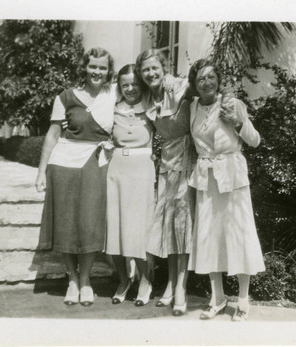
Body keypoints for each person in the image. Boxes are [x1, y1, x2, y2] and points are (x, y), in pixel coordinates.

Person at [35, 47, 117, 307]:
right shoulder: (66, 96)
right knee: (67, 223)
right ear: (84, 67)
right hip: (65, 163)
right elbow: (53, 134)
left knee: (91, 222)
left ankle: (86, 280)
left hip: (98, 161)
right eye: (93, 66)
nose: (97, 71)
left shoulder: (114, 95)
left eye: (102, 67)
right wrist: (40, 171)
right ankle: (72, 281)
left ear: (108, 71)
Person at [186, 59, 265, 321]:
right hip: (206, 178)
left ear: (218, 79)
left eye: (211, 77)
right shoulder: (193, 107)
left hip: (232, 175)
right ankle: (217, 298)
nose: (206, 82)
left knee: (239, 236)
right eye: (200, 79)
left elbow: (255, 141)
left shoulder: (232, 104)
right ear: (194, 85)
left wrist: (238, 122)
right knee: (209, 238)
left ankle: (243, 299)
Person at [136, 49, 196, 316]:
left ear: (164, 67)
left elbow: (205, 93)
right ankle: (171, 284)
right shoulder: (148, 98)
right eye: (145, 70)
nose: (150, 73)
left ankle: (181, 288)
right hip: (166, 164)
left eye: (154, 68)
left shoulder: (179, 85)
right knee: (170, 224)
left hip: (187, 160)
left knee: (183, 225)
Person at [105, 64, 155, 306]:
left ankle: (146, 280)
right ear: (119, 86)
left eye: (135, 83)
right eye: (125, 84)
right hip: (116, 169)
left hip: (142, 170)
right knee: (115, 227)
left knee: (138, 229)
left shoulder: (151, 107)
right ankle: (123, 280)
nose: (130, 88)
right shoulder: (112, 109)